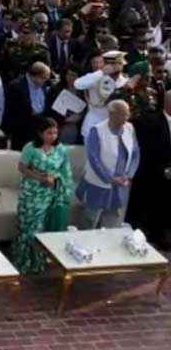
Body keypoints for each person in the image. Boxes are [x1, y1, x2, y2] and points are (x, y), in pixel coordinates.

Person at [11, 119, 74, 274]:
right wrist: (40, 178)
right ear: (40, 133)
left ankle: (37, 263)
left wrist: (56, 180)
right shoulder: (31, 148)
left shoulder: (61, 150)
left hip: (49, 195)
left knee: (41, 229)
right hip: (31, 194)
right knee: (27, 228)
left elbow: (65, 171)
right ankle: (22, 262)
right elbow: (22, 167)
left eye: (55, 132)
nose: (53, 136)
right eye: (49, 133)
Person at [76, 99, 140, 229]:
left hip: (120, 185)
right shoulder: (97, 131)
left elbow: (135, 153)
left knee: (112, 223)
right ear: (112, 114)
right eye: (123, 114)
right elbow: (94, 159)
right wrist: (110, 178)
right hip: (98, 185)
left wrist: (129, 175)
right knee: (90, 222)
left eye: (128, 114)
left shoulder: (129, 128)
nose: (126, 118)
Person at [128, 90, 171, 247]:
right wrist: (164, 168)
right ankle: (158, 235)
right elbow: (147, 149)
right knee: (156, 205)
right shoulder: (150, 121)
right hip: (155, 173)